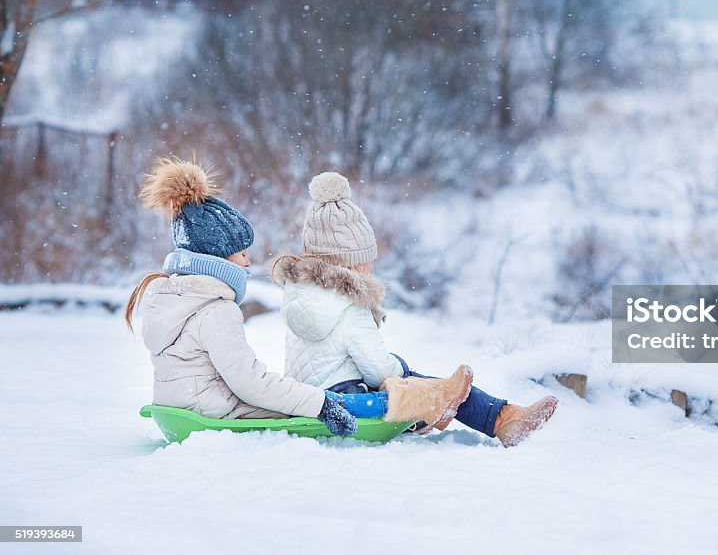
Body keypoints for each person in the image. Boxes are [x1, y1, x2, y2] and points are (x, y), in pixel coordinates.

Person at [125, 157, 472, 437]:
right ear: (215, 259)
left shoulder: (170, 297)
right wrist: (320, 404)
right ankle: (421, 404)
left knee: (303, 391)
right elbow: (249, 383)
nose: (248, 262)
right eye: (240, 254)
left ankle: (433, 401)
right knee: (346, 400)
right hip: (214, 410)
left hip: (180, 410)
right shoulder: (215, 311)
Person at [273, 171, 559, 448]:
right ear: (351, 262)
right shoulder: (349, 303)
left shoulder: (300, 294)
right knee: (419, 381)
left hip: (307, 398)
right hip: (351, 399)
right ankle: (501, 418)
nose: (370, 266)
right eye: (366, 259)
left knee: (428, 384)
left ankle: (496, 416)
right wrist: (403, 369)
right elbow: (378, 371)